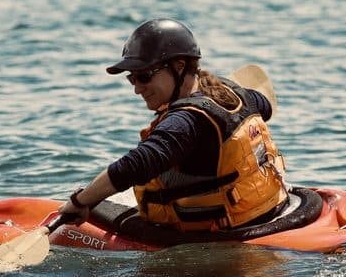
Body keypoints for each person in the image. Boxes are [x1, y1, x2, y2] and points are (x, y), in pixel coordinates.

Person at [57, 18, 289, 232]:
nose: (137, 88)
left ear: (179, 66)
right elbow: (266, 106)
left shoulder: (186, 122)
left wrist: (79, 201)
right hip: (267, 210)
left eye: (144, 76)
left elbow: (133, 167)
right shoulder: (236, 94)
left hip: (221, 233)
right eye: (132, 78)